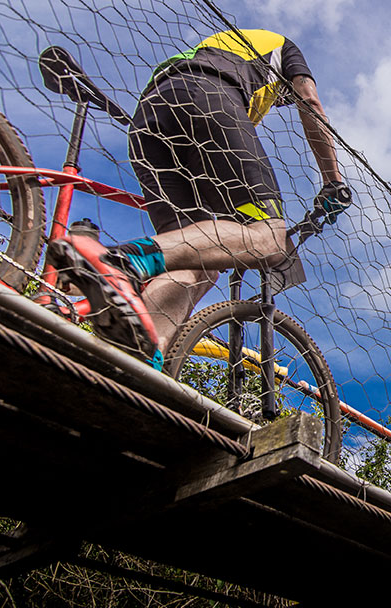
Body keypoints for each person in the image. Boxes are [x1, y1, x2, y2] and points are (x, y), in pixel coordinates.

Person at [48, 29, 350, 369]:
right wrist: (333, 181)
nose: (282, 102)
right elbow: (309, 102)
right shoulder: (283, 48)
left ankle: (137, 359)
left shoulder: (228, 47)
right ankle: (119, 262)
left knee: (195, 259)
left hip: (149, 117)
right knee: (270, 239)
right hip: (207, 95)